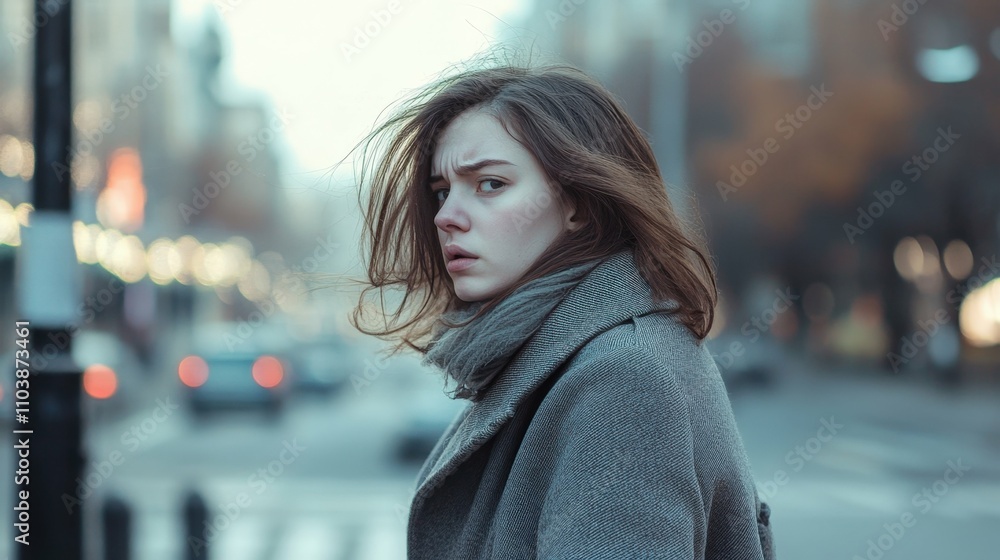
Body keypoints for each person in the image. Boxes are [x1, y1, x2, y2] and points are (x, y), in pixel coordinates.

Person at [348, 60, 776, 559]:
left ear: (579, 204)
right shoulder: (555, 359)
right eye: (442, 192)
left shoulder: (623, 376)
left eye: (490, 184)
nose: (446, 217)